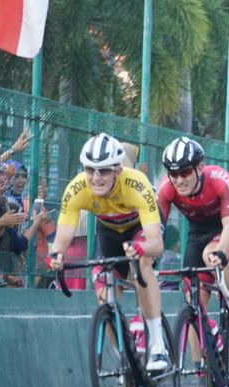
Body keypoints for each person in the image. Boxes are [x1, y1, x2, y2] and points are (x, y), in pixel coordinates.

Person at [47, 133, 168, 371]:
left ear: (118, 171)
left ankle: (157, 345)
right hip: (109, 231)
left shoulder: (136, 184)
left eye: (103, 171)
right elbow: (61, 239)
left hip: (141, 228)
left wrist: (141, 248)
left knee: (142, 263)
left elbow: (157, 243)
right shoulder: (77, 189)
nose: (96, 177)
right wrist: (57, 257)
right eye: (90, 170)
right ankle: (125, 363)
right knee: (103, 290)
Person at [156, 136, 229, 350]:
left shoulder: (219, 179)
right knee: (194, 304)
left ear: (200, 168)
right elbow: (156, 229)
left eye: (185, 172)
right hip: (198, 232)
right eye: (173, 174)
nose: (179, 180)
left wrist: (222, 252)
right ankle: (201, 377)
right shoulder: (166, 188)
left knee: (212, 255)